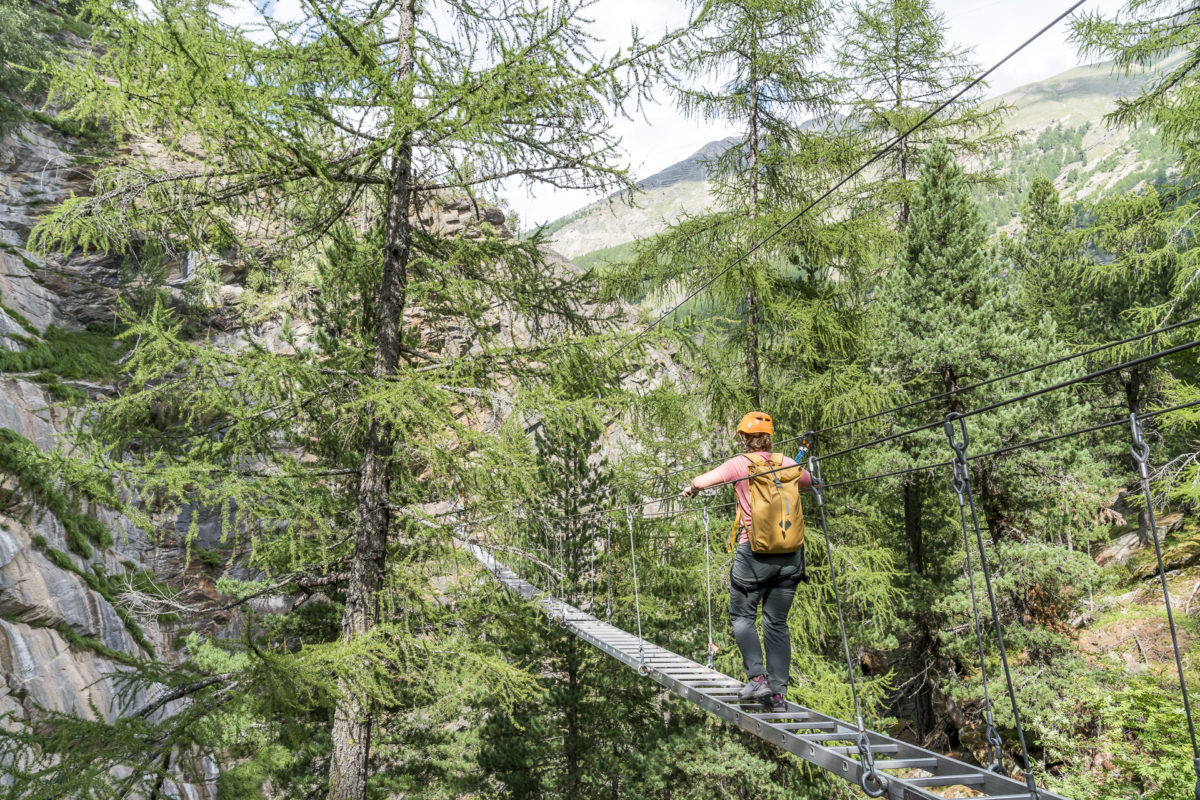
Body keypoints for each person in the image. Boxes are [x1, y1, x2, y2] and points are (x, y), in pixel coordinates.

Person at [680, 411, 812, 711]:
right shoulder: (789, 463)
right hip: (790, 555)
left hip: (753, 553)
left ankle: (757, 679)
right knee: (776, 623)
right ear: (769, 438)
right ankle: (777, 693)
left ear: (743, 438)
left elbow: (702, 480)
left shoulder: (740, 464)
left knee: (742, 617)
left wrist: (692, 488)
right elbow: (810, 483)